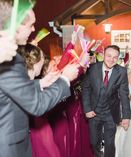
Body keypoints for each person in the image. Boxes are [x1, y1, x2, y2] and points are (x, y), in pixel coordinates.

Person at [0, 7, 79, 157]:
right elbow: (37, 105)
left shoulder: (11, 56)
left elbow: (9, 89)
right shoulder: (7, 58)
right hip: (7, 147)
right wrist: (65, 79)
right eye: (30, 25)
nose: (34, 29)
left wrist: (41, 83)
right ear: (16, 26)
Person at [82, 45, 131, 157]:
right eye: (109, 55)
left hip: (111, 113)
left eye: (115, 57)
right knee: (94, 142)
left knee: (109, 143)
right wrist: (87, 109)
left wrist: (126, 116)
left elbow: (124, 95)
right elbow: (86, 89)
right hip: (94, 112)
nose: (111, 59)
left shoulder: (122, 71)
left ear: (118, 58)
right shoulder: (92, 68)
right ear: (103, 55)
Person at [18, 43, 61, 157]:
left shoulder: (31, 81)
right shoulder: (20, 82)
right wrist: (64, 81)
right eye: (42, 58)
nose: (44, 61)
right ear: (35, 60)